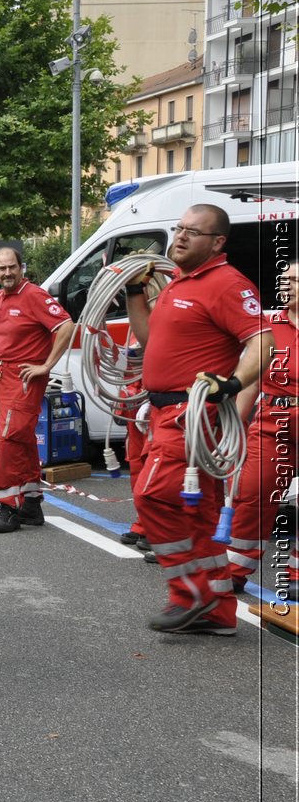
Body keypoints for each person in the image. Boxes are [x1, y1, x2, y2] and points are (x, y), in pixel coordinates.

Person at [127, 203, 273, 635]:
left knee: (154, 496)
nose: (181, 237)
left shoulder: (226, 283)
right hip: (163, 412)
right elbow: (149, 337)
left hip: (190, 414)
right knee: (200, 514)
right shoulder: (177, 282)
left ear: (218, 242)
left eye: (193, 231)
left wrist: (232, 384)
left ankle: (192, 594)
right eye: (179, 229)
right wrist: (136, 295)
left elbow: (262, 342)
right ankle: (218, 613)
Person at [0, 246, 76, 533]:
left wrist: (45, 366)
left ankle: (8, 506)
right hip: (3, 376)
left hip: (24, 377)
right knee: (21, 439)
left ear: (21, 268)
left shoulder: (34, 295)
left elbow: (65, 326)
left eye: (12, 267)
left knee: (10, 437)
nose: (8, 273)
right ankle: (32, 503)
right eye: (2, 268)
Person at [224, 259, 298, 599]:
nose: (287, 285)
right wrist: (234, 425)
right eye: (285, 279)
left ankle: (296, 574)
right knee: (253, 492)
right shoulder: (268, 325)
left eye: (295, 280)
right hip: (271, 422)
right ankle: (235, 568)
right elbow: (250, 380)